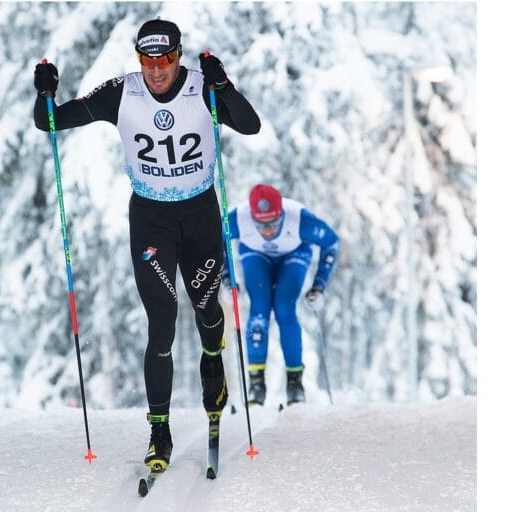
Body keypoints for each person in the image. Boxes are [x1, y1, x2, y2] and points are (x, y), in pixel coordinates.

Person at [33, 18, 261, 471]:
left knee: (207, 310)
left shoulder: (202, 88)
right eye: (148, 61)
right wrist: (45, 93)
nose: (157, 70)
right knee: (161, 323)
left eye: (166, 60)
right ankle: (160, 431)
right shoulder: (123, 92)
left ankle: (213, 363)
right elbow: (51, 122)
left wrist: (226, 86)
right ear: (140, 60)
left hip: (199, 216)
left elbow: (250, 126)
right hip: (151, 220)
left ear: (179, 56)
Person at [224, 184, 339, 406]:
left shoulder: (300, 219)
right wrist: (227, 279)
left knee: (285, 308)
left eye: (274, 224)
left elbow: (331, 241)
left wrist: (319, 285)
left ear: (282, 214)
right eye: (261, 225)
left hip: (293, 255)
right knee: (259, 310)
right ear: (252, 216)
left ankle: (295, 383)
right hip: (256, 255)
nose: (267, 231)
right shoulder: (239, 218)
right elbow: (213, 239)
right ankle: (256, 384)